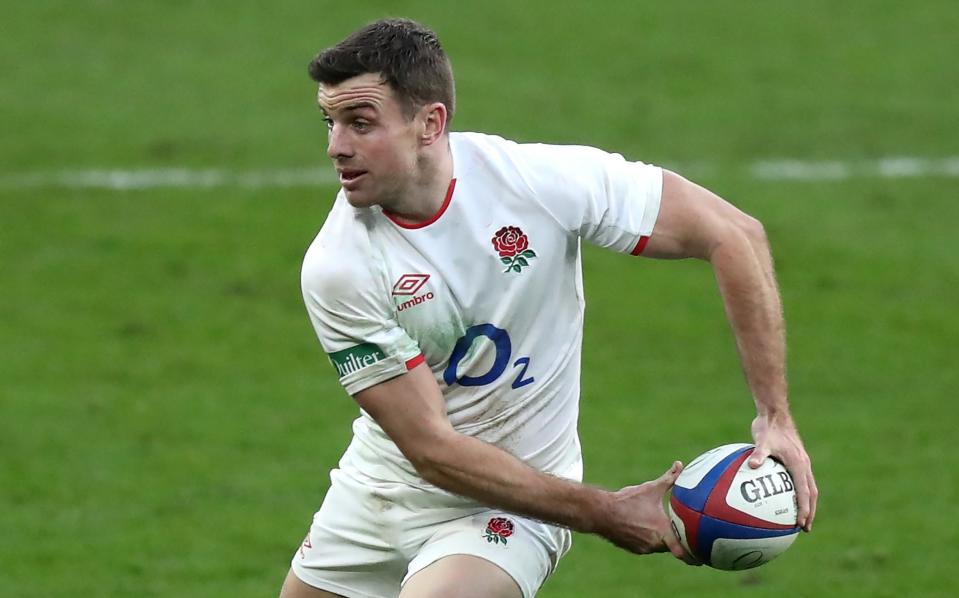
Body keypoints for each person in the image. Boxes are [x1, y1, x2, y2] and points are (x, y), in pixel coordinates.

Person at [280, 17, 818, 598]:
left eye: (360, 123)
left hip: (519, 500)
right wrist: (604, 512)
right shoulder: (340, 265)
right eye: (330, 123)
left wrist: (775, 415)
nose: (336, 146)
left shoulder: (534, 183)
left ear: (430, 123)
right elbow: (432, 450)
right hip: (379, 491)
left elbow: (733, 235)